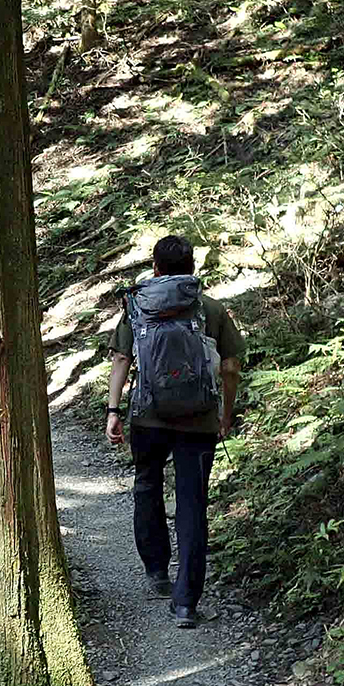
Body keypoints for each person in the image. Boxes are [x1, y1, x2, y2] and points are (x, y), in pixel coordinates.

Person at [105, 235, 244, 629]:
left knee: (147, 484)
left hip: (147, 417)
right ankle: (186, 603)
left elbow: (120, 358)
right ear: (193, 266)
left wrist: (114, 410)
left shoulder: (138, 305)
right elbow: (230, 368)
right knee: (192, 503)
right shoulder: (211, 310)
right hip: (199, 421)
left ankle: (156, 572)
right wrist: (225, 414)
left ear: (155, 268)